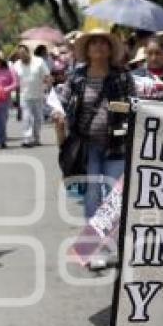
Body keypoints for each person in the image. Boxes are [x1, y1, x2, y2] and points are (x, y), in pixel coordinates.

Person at [52, 28, 135, 219]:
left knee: (115, 193)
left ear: (110, 49)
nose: (99, 46)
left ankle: (110, 235)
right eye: (94, 43)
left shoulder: (123, 76)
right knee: (92, 193)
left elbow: (134, 107)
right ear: (87, 50)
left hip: (117, 144)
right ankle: (93, 239)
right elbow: (61, 103)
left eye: (103, 42)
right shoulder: (76, 77)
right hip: (85, 146)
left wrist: (118, 107)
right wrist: (58, 114)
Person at [12, 42, 51, 147]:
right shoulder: (16, 65)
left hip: (39, 94)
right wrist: (15, 96)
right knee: (27, 117)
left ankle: (36, 137)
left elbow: (47, 76)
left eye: (24, 53)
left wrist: (49, 89)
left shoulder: (39, 62)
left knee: (38, 118)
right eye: (20, 54)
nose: (22, 56)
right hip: (25, 96)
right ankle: (27, 139)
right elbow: (14, 81)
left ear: (28, 52)